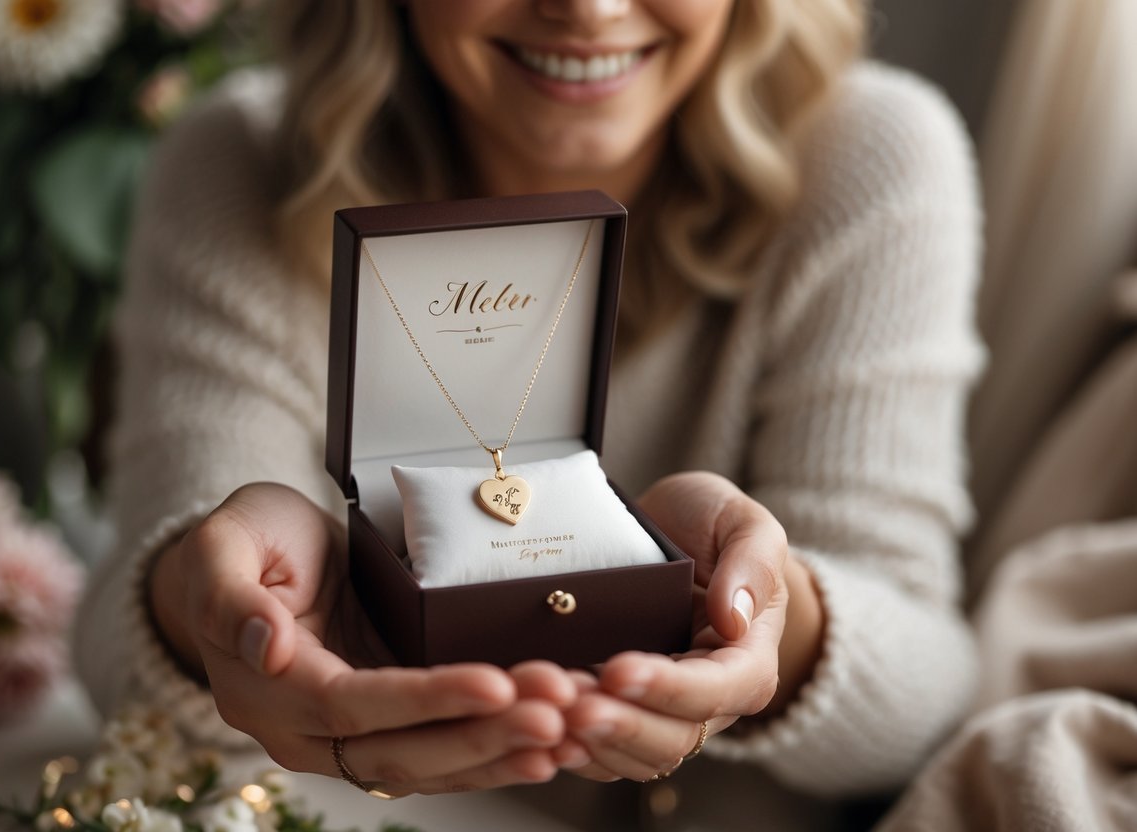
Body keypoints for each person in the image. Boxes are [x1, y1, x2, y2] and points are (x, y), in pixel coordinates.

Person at [75, 0, 985, 821]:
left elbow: (925, 692)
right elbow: (119, 673)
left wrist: (758, 609)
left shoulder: (872, 156)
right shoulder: (238, 164)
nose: (587, 12)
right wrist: (207, 602)